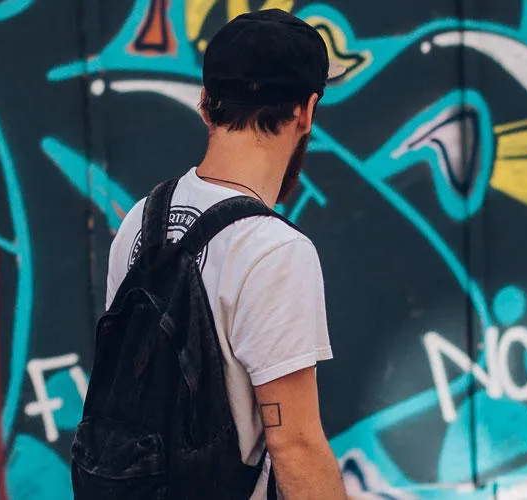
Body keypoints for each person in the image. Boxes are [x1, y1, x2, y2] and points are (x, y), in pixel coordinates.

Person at [98, 9, 345, 499]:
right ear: (306, 111)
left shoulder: (140, 221)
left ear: (206, 104)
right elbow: (295, 445)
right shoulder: (275, 250)